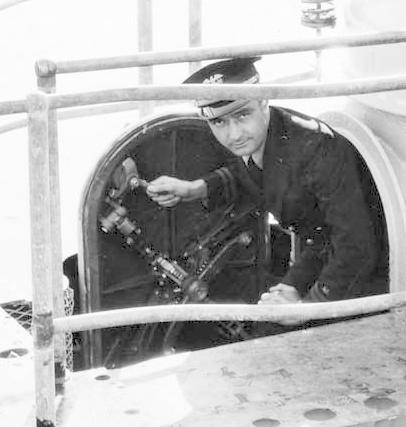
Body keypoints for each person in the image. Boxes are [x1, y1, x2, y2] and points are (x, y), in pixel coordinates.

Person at [146, 57, 389, 307]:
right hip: (322, 252)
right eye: (218, 122)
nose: (234, 134)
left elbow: (356, 248)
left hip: (369, 277)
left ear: (264, 101)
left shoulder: (317, 149)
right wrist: (196, 189)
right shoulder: (258, 139)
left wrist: (306, 307)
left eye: (242, 115)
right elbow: (248, 175)